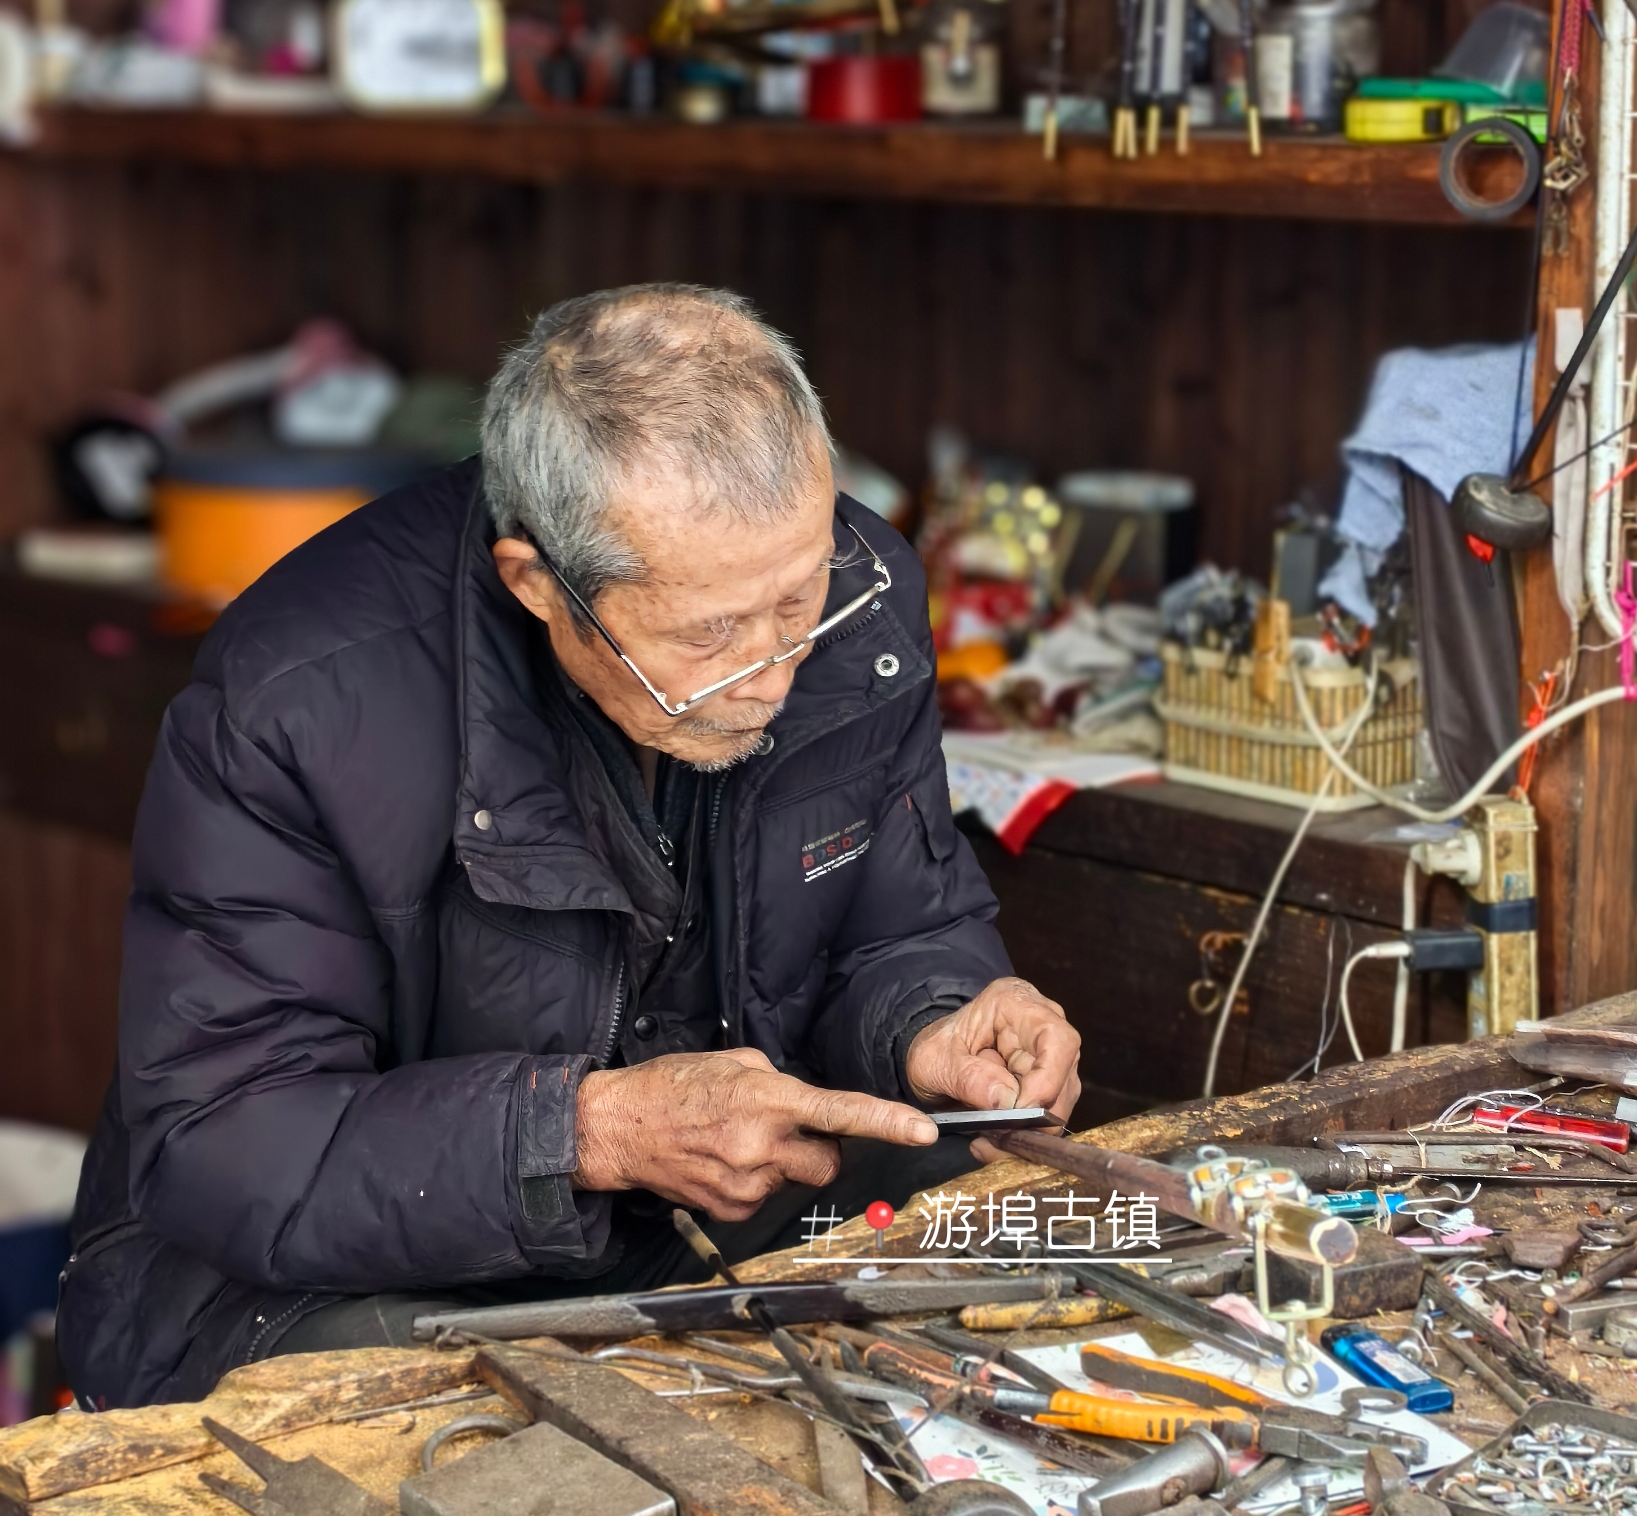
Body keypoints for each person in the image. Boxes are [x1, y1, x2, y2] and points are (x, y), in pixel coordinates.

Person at [60, 285, 1081, 1407]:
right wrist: (582, 1131)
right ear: (537, 583)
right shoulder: (299, 698)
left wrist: (939, 1016)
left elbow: (903, 921)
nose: (777, 671)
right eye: (710, 635)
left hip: (689, 1215)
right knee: (465, 1430)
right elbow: (226, 1139)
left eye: (796, 603)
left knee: (1002, 1227)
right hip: (335, 1274)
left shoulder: (858, 598)